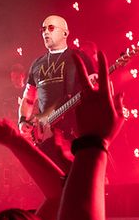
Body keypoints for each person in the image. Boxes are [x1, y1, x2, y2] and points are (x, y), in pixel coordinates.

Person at [18, 15, 97, 158]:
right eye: (43, 29)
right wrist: (22, 120)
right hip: (48, 138)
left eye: (51, 28)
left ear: (65, 33)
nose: (45, 32)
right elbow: (28, 99)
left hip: (77, 135)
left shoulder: (79, 57)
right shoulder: (37, 64)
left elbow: (96, 89)